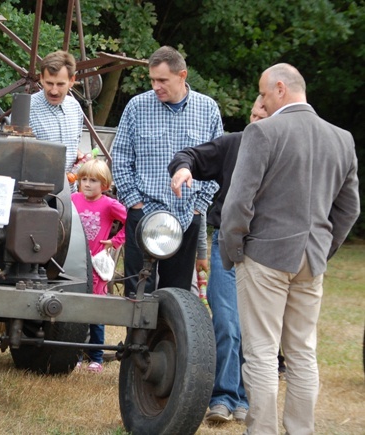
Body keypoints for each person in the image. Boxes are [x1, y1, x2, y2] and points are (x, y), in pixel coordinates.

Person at [219, 63, 360, 434]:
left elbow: (237, 204)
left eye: (264, 94)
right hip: (311, 259)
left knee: (262, 353)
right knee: (302, 354)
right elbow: (350, 209)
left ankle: (262, 431)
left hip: (263, 256)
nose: (262, 102)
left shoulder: (262, 132)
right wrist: (323, 249)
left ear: (280, 88)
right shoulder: (342, 138)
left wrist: (233, 251)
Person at [169, 96, 268, 424]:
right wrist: (183, 168)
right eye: (252, 113)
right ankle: (223, 397)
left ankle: (243, 395)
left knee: (252, 327)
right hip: (228, 245)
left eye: (263, 116)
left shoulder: (286, 153)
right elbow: (190, 155)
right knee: (226, 319)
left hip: (267, 251)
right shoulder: (234, 144)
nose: (255, 121)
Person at [111, 45, 223, 296]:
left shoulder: (207, 109)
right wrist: (134, 203)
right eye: (152, 80)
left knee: (177, 294)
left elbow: (218, 162)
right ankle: (134, 336)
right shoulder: (137, 107)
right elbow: (120, 157)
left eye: (162, 80)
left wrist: (199, 206)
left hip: (186, 216)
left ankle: (165, 337)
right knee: (137, 292)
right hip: (145, 212)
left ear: (182, 75)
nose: (156, 86)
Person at [72, 159, 126, 372]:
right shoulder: (73, 200)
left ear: (104, 185)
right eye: (83, 179)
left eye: (93, 180)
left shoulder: (109, 205)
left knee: (95, 312)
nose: (87, 184)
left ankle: (96, 356)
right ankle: (74, 354)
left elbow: (132, 220)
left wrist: (115, 240)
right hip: (74, 262)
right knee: (75, 311)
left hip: (95, 264)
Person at [29, 50, 84, 191]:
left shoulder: (75, 107)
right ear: (41, 78)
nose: (54, 91)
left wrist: (81, 157)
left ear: (72, 80)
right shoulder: (27, 109)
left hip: (69, 194)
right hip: (36, 195)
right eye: (49, 83)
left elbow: (74, 146)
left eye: (60, 84)